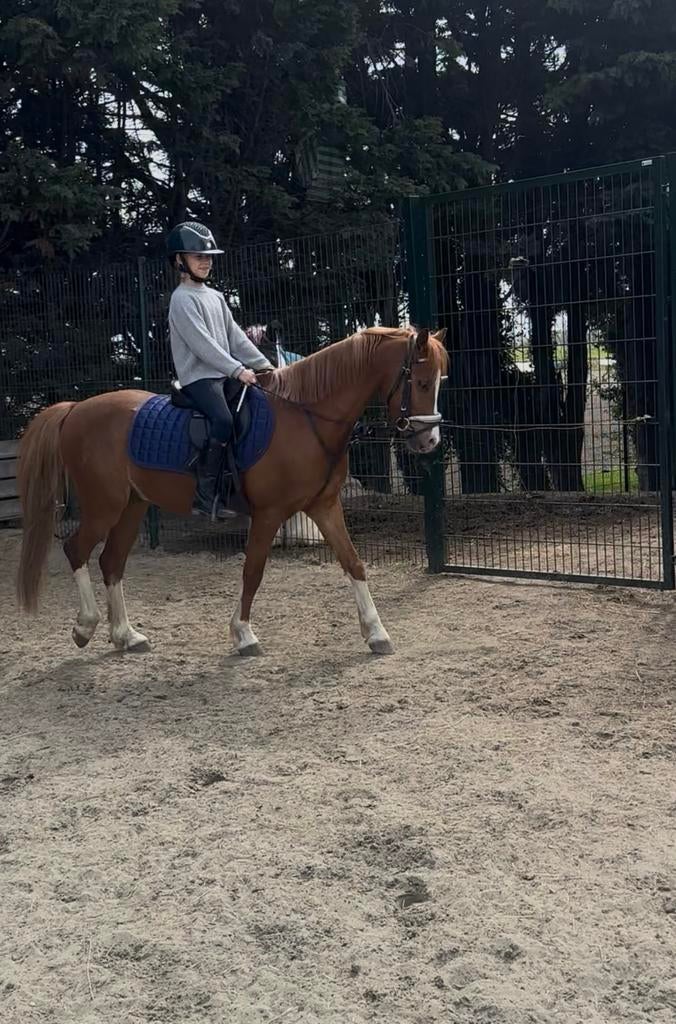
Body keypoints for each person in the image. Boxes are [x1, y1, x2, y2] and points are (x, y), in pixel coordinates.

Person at [166, 221, 274, 518]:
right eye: (198, 256)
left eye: (209, 256)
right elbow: (203, 346)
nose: (206, 261)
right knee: (223, 420)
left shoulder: (215, 297)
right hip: (199, 378)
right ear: (179, 260)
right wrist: (238, 370)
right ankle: (205, 495)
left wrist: (265, 365)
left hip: (223, 373)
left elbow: (235, 337)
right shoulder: (181, 299)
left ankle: (237, 483)